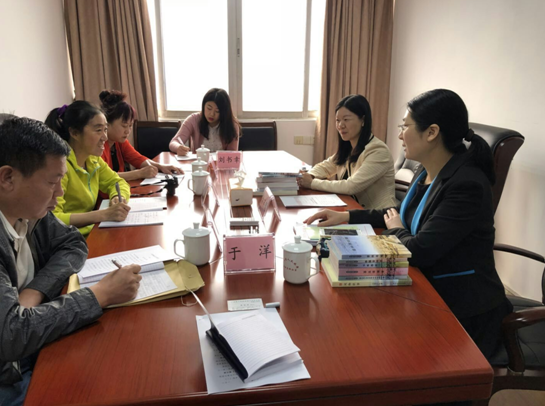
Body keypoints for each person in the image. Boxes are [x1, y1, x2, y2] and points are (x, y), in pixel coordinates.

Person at [306, 89, 512, 361]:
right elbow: (399, 213)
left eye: (405, 127)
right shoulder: (426, 170)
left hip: (461, 311)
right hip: (422, 287)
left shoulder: (467, 185)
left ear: (432, 132)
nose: (400, 135)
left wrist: (396, 229)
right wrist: (346, 217)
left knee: (377, 349)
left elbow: (419, 250)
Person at [0, 116, 142, 406]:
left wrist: (35, 291)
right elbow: (11, 336)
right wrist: (99, 295)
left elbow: (73, 242)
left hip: (32, 345)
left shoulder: (30, 213)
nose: (60, 193)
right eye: (53, 182)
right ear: (8, 178)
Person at [45, 101, 131, 237]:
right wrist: (103, 214)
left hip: (91, 233)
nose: (105, 137)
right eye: (98, 130)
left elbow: (117, 182)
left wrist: (117, 197)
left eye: (105, 129)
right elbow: (52, 219)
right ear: (74, 133)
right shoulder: (60, 167)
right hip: (68, 240)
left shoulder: (93, 160)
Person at [299, 95, 397, 209]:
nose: (341, 125)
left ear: (363, 120)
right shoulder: (349, 147)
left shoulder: (378, 151)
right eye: (338, 120)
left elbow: (351, 186)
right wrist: (309, 175)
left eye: (346, 119)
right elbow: (325, 167)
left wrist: (312, 183)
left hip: (379, 215)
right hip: (353, 209)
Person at [99, 90, 181, 180]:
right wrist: (139, 173)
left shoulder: (119, 141)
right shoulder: (98, 146)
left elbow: (137, 158)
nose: (128, 131)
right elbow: (103, 177)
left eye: (130, 126)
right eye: (124, 126)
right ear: (107, 123)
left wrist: (161, 166)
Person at [169, 88, 240, 155]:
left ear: (224, 112)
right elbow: (174, 142)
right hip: (199, 162)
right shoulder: (193, 119)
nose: (212, 114)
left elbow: (232, 153)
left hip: (221, 163)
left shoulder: (232, 124)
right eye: (209, 108)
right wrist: (178, 147)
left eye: (217, 111)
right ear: (203, 106)